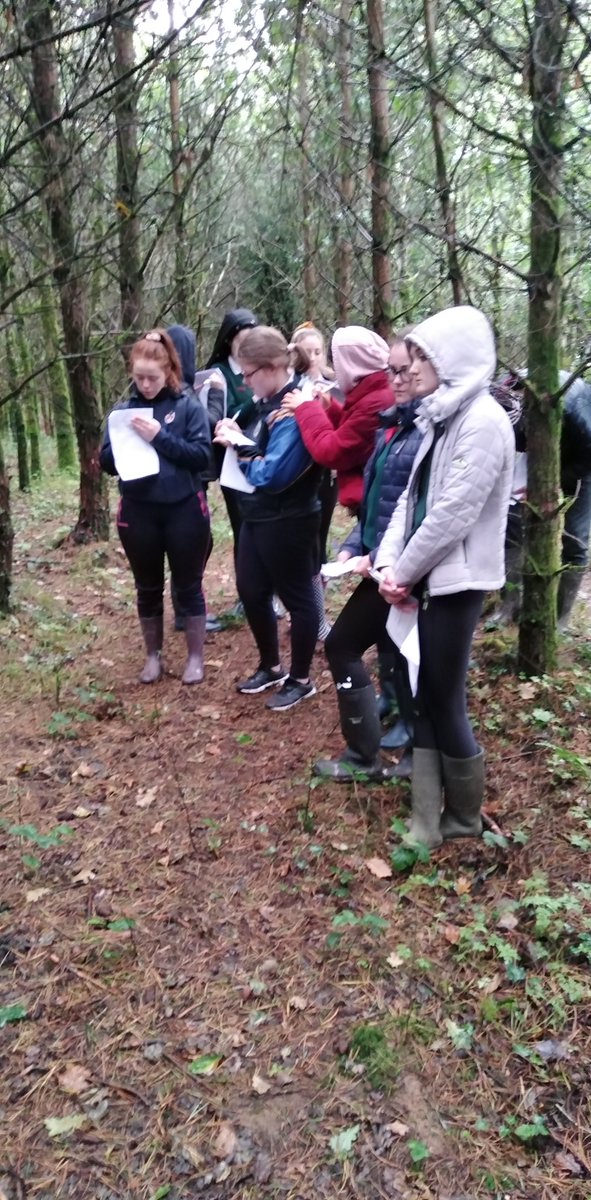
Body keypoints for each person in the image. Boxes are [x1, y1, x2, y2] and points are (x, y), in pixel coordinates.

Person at [374, 306, 515, 847]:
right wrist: (390, 567)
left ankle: (458, 821)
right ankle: (425, 821)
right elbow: (411, 501)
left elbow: (452, 514)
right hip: (425, 577)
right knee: (424, 692)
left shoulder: (483, 422)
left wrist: (403, 573)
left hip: (457, 582)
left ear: (454, 359)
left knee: (443, 695)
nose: (412, 366)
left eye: (425, 356)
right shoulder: (444, 417)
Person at [313, 338, 423, 782]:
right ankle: (380, 751)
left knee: (348, 646)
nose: (395, 380)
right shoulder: (391, 426)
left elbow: (423, 513)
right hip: (381, 565)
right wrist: (353, 545)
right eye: (391, 370)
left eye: (403, 370)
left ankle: (377, 755)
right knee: (394, 654)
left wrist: (378, 558)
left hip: (407, 571)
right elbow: (378, 498)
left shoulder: (427, 435)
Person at [214, 326, 323, 711]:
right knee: (251, 589)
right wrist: (229, 428)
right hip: (257, 515)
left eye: (248, 373)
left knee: (298, 597)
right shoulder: (260, 401)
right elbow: (242, 429)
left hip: (290, 518)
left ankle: (301, 678)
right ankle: (271, 665)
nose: (244, 381)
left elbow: (273, 475)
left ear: (273, 367)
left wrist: (241, 452)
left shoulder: (296, 406)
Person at [100, 329, 212, 685]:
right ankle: (153, 656)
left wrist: (158, 437)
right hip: (139, 510)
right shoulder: (123, 411)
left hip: (184, 508)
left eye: (153, 378)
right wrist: (119, 446)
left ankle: (195, 658)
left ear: (169, 373)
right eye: (139, 378)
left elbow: (201, 457)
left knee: (188, 584)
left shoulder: (187, 406)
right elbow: (106, 462)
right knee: (147, 586)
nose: (146, 385)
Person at [282, 326, 393, 518]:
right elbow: (354, 429)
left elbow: (333, 450)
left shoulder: (376, 401)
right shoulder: (372, 393)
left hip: (378, 503)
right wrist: (329, 408)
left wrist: (306, 408)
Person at [166, 323, 223, 635]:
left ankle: (184, 608)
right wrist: (214, 394)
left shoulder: (178, 388)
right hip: (186, 480)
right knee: (191, 543)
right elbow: (208, 423)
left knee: (192, 543)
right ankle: (186, 611)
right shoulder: (179, 391)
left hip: (184, 478)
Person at [203, 308, 259, 618]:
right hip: (232, 462)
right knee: (244, 528)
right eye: (242, 339)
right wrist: (257, 400)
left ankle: (265, 592)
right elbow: (226, 415)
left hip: (264, 456)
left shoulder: (261, 367)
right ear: (229, 340)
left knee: (264, 528)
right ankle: (246, 595)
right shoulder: (219, 373)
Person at [289, 323, 340, 641]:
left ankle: (318, 617)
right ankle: (300, 610)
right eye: (306, 352)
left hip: (327, 477)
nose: (313, 358)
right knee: (298, 547)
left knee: (318, 545)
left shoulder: (338, 385)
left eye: (318, 351)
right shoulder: (289, 388)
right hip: (297, 478)